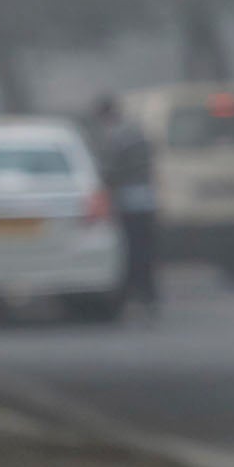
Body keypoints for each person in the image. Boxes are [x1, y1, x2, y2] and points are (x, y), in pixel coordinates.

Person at [89, 91, 159, 314]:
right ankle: (149, 293)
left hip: (127, 200)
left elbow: (110, 171)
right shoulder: (137, 131)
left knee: (129, 251)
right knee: (146, 249)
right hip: (147, 198)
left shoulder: (113, 136)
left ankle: (134, 292)